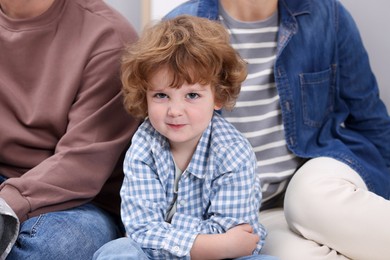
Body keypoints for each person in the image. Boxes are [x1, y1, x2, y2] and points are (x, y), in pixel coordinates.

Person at [164, 0, 390, 260]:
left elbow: (369, 116)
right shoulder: (181, 25)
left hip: (319, 174)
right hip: (251, 211)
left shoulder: (326, 14)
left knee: (309, 195)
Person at [93, 15, 278, 260]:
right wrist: (217, 244)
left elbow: (236, 234)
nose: (175, 110)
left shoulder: (233, 150)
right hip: (190, 253)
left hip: (218, 258)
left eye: (191, 95)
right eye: (161, 95)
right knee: (117, 251)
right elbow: (140, 232)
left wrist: (167, 233)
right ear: (144, 96)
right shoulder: (143, 145)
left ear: (218, 97)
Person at [0, 0, 140, 259]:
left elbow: (83, 162)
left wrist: (7, 205)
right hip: (4, 181)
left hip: (79, 200)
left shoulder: (108, 36)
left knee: (52, 249)